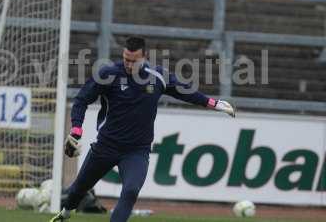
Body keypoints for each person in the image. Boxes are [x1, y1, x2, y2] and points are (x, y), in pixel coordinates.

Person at [49, 36, 235, 222]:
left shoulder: (157, 76)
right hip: (105, 146)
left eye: (134, 61)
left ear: (145, 57)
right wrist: (76, 130)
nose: (129, 64)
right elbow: (81, 100)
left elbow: (185, 91)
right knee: (78, 190)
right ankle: (64, 215)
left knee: (130, 191)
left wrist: (214, 103)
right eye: (125, 59)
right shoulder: (108, 74)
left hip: (136, 151)